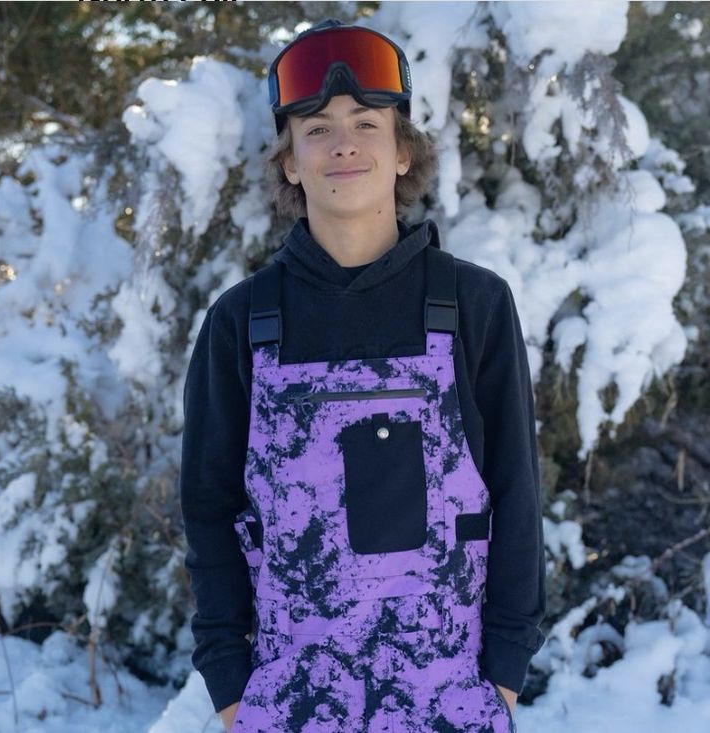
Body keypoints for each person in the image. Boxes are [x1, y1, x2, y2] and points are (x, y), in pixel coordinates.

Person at [180, 18, 545, 733]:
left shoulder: (472, 305)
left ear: (404, 151)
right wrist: (230, 684)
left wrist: (503, 673)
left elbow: (517, 496)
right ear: (290, 162)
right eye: (315, 127)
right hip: (289, 706)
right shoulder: (242, 323)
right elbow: (208, 511)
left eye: (366, 122)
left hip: (454, 701)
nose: (342, 142)